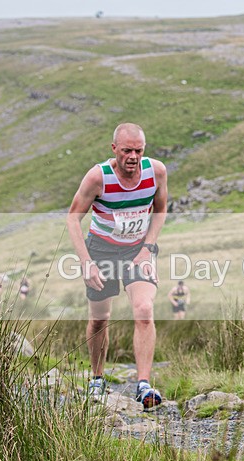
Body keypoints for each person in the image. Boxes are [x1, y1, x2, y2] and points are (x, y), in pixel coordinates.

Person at [66, 123, 168, 411]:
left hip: (138, 250)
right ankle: (97, 377)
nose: (133, 156)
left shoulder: (156, 172)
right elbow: (73, 218)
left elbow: (160, 209)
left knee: (144, 310)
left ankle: (144, 384)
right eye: (126, 150)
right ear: (114, 149)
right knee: (100, 318)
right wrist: (86, 263)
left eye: (138, 150)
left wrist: (148, 248)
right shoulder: (98, 177)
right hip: (101, 250)